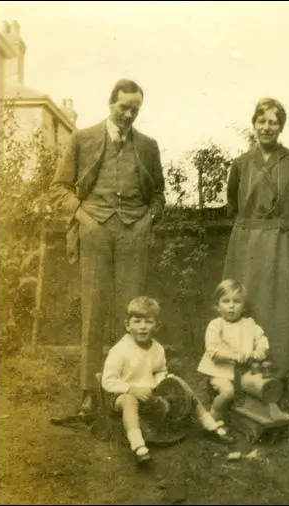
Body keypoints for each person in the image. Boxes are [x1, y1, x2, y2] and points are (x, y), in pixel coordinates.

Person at [50, 79, 166, 419]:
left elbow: (158, 195)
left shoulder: (148, 146)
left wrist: (147, 221)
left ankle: (123, 390)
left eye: (135, 109)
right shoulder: (82, 138)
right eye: (123, 107)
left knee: (130, 311)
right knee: (94, 310)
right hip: (95, 230)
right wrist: (83, 217)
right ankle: (89, 393)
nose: (128, 114)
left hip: (133, 233)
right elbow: (59, 187)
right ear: (110, 103)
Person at [223, 98, 289, 403]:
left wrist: (283, 232)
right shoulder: (241, 164)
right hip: (247, 246)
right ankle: (245, 378)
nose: (266, 127)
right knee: (244, 307)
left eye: (272, 122)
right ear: (254, 125)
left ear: (281, 127)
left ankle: (280, 380)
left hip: (282, 247)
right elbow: (233, 206)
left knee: (281, 311)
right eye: (261, 121)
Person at [102, 296, 234, 465]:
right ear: (128, 325)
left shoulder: (157, 348)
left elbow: (159, 371)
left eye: (148, 322)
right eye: (137, 321)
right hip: (122, 394)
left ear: (156, 325)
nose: (142, 327)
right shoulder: (120, 350)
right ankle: (138, 445)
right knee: (129, 401)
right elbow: (108, 381)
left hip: (150, 393)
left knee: (179, 382)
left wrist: (163, 381)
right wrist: (132, 389)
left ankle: (209, 423)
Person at [197, 280, 269, 422]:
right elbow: (213, 349)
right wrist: (234, 356)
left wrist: (259, 351)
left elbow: (261, 340)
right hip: (220, 372)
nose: (231, 306)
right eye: (225, 301)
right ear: (217, 306)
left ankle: (253, 416)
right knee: (228, 392)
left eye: (236, 301)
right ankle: (213, 417)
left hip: (242, 372)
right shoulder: (216, 325)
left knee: (258, 386)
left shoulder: (249, 323)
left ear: (243, 306)